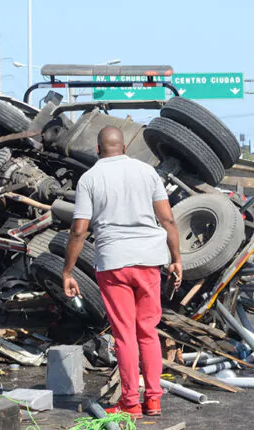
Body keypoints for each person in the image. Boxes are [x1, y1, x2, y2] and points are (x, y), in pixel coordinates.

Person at [62, 126, 182, 419]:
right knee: (148, 332)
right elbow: (167, 218)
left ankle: (130, 403)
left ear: (98, 150)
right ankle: (153, 400)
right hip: (148, 261)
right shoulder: (146, 173)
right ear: (125, 147)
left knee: (125, 336)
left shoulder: (89, 178)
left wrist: (67, 271)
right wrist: (176, 258)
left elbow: (79, 230)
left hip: (113, 262)